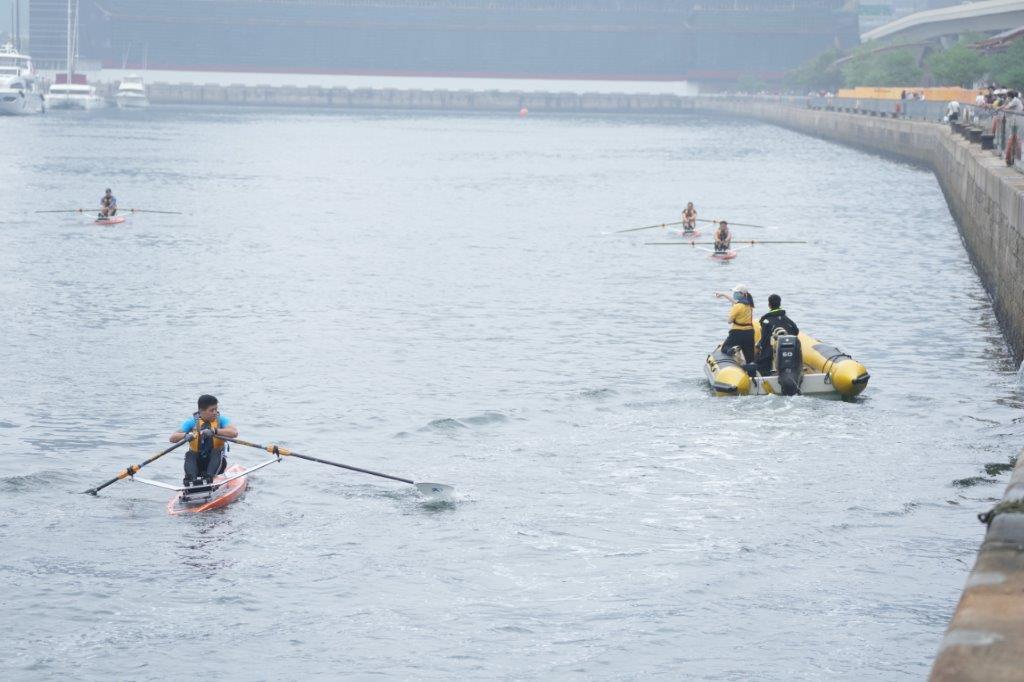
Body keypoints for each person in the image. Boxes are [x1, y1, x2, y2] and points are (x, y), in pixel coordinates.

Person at [169, 394, 239, 486]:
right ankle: (190, 479)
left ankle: (209, 477)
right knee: (190, 454)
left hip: (217, 463)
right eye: (211, 410)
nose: (215, 412)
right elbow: (172, 438)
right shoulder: (192, 421)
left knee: (216, 451)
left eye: (216, 409)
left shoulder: (221, 420)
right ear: (201, 411)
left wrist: (215, 431)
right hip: (197, 465)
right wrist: (185, 435)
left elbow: (234, 433)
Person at [756, 293, 800, 374]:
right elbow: (796, 331)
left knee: (759, 358)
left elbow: (764, 339)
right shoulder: (787, 320)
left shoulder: (766, 321)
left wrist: (759, 347)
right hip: (788, 351)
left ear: (769, 305)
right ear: (780, 304)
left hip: (770, 353)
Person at [714, 284, 755, 364]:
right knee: (750, 358)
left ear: (742, 294)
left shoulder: (737, 306)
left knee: (725, 348)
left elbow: (729, 321)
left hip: (737, 333)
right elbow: (734, 301)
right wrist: (723, 294)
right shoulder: (749, 304)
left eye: (736, 292)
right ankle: (752, 373)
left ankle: (731, 350)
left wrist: (732, 310)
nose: (734, 294)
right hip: (749, 333)